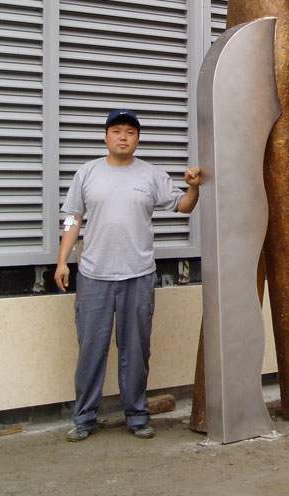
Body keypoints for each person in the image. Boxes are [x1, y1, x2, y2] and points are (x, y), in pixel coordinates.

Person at [54, 108, 201, 442]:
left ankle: (136, 415)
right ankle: (84, 418)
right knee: (91, 349)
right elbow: (73, 218)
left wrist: (194, 188)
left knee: (135, 351)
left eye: (130, 132)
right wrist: (62, 262)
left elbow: (183, 206)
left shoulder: (151, 175)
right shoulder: (87, 173)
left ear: (138, 139)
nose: (123, 137)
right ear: (106, 137)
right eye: (117, 131)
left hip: (138, 275)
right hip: (94, 275)